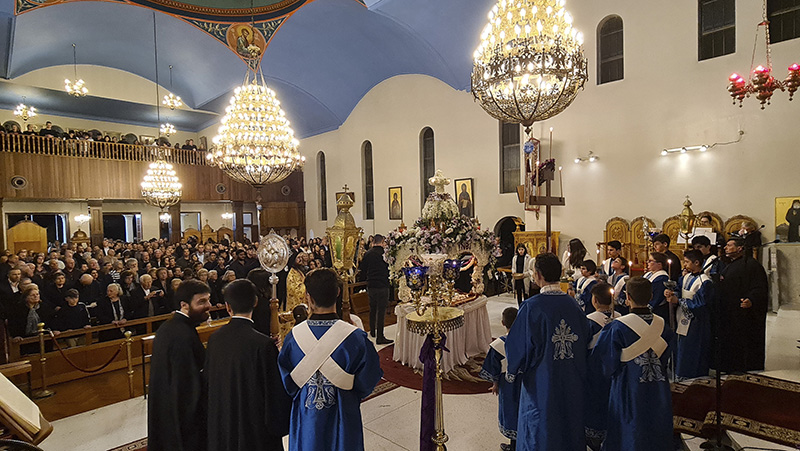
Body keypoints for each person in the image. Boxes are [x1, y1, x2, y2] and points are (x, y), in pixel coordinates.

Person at [278, 268, 382, 451]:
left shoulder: (293, 338)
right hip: (343, 415)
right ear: (338, 293)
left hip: (306, 416)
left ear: (308, 297)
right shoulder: (356, 338)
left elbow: (287, 382)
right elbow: (369, 378)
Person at [505, 253, 590, 451]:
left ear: (537, 275)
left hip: (542, 380)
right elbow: (585, 338)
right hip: (572, 377)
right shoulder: (574, 305)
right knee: (569, 419)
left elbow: (519, 346)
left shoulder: (531, 307)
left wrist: (513, 370)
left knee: (541, 422)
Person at [205, 279, 291, 451]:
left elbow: (209, 383)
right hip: (255, 429)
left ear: (228, 307)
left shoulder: (214, 340)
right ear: (256, 302)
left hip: (225, 422)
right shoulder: (263, 344)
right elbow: (274, 392)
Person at [591, 276, 674, 451]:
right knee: (657, 422)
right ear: (651, 296)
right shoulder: (663, 325)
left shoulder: (617, 327)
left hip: (628, 387)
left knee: (629, 426)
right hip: (659, 387)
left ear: (627, 298)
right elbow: (666, 357)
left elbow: (605, 363)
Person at [147, 279, 212, 451]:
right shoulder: (182, 336)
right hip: (183, 424)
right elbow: (187, 389)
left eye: (208, 300)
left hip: (167, 414)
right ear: (184, 305)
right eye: (202, 302)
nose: (209, 305)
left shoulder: (172, 328)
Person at [717, 236, 768, 372]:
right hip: (729, 309)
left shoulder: (752, 265)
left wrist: (751, 299)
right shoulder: (730, 264)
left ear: (739, 248)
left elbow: (760, 287)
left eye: (729, 245)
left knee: (744, 340)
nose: (725, 248)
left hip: (744, 311)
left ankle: (747, 365)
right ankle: (730, 365)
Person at [584, 281, 621, 451]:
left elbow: (582, 346)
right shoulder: (620, 318)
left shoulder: (589, 321)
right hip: (617, 368)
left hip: (595, 367)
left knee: (595, 401)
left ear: (595, 300)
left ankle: (594, 437)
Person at [665, 250, 712, 379]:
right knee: (680, 346)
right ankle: (679, 372)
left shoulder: (705, 281)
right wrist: (672, 294)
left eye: (686, 262)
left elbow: (701, 304)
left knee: (691, 348)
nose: (684, 264)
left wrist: (678, 301)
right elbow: (680, 291)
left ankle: (692, 376)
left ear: (696, 262)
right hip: (681, 315)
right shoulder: (686, 277)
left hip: (696, 321)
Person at [480, 307, 521, 451]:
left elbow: (493, 369)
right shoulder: (528, 341)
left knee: (511, 412)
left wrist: (495, 383)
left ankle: (514, 446)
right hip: (527, 384)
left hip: (508, 385)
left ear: (503, 323)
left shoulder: (498, 345)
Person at [358, 234, 393, 344]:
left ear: (373, 242)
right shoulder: (386, 254)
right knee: (381, 311)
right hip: (382, 285)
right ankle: (380, 337)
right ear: (382, 241)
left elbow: (362, 269)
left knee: (372, 309)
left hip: (371, 285)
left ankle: (373, 331)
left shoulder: (368, 253)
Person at [643, 252, 670, 322]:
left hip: (657, 310)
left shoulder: (662, 277)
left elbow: (657, 296)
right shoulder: (648, 274)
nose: (647, 263)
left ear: (659, 264)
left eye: (650, 261)